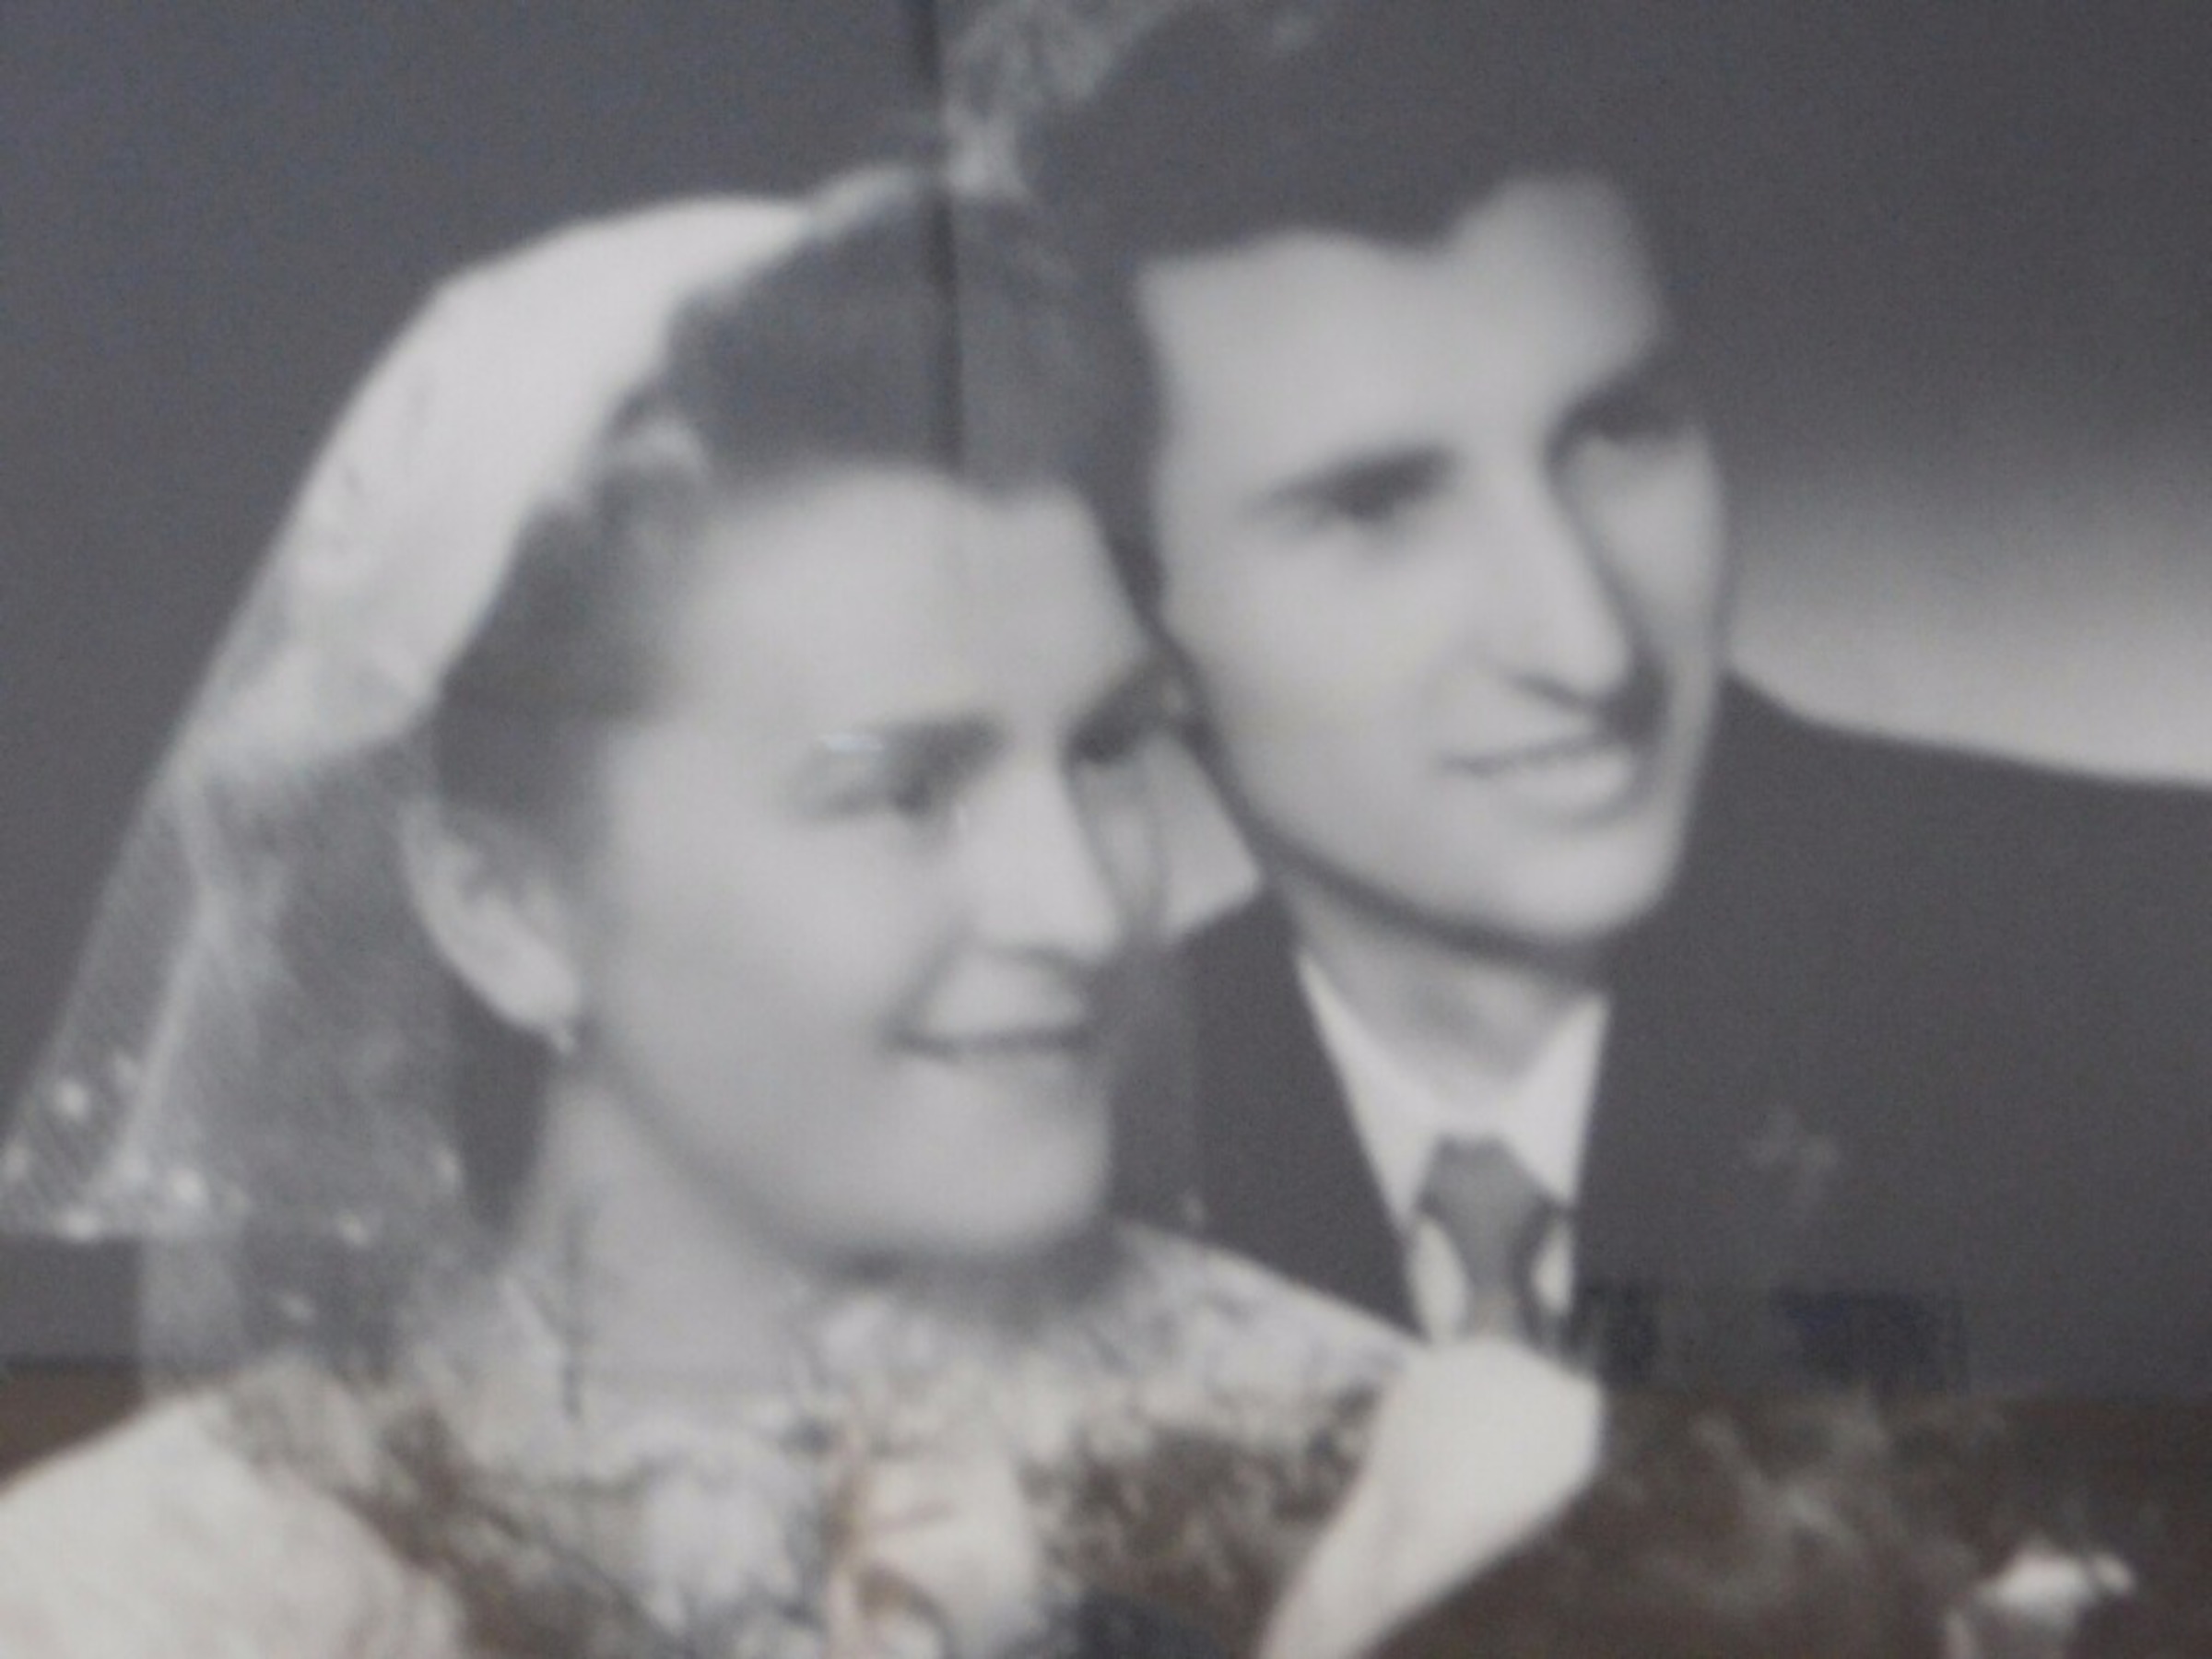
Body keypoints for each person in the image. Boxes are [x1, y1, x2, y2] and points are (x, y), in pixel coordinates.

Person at [0, 171, 1624, 1656]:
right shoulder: (155, 1593)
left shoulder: (1403, 1492)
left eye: (1110, 749)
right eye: (902, 787)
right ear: (508, 912)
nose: (1082, 908)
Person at [970, 0, 2212, 1395]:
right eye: (1376, 505)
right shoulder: (1029, 1175)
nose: (1587, 645)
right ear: (1117, 614)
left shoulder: (2170, 983)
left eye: (1622, 429)